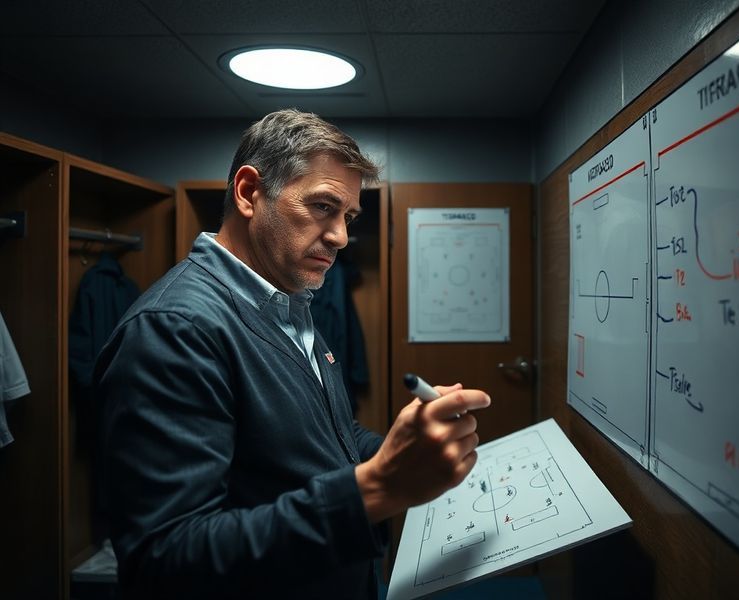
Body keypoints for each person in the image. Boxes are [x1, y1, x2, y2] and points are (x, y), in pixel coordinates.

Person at [95, 109, 491, 599]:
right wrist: (377, 488)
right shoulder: (174, 329)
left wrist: (403, 448)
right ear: (248, 193)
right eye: (323, 207)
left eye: (348, 217)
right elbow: (166, 561)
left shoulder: (287, 300)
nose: (341, 237)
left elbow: (321, 441)